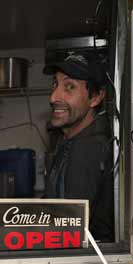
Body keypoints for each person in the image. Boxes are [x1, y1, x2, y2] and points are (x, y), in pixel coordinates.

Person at [43, 52, 114, 242]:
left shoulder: (88, 149)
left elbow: (68, 229)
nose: (53, 97)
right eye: (55, 84)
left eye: (69, 87)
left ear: (96, 97)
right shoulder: (70, 141)